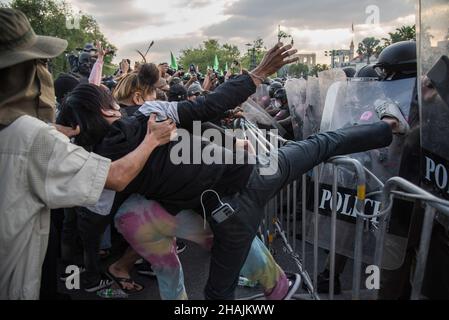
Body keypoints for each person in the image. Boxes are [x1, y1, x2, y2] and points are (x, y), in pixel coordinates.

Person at [59, 41, 405, 300]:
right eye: (106, 98)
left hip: (232, 195)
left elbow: (96, 213)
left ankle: (387, 127)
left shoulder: (117, 142)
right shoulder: (141, 125)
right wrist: (257, 74)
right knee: (323, 143)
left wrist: (86, 260)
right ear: (104, 111)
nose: (113, 99)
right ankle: (387, 125)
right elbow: (207, 105)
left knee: (218, 296)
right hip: (235, 196)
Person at [0, 8, 176, 300]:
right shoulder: (30, 137)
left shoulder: (29, 134)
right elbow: (116, 177)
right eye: (39, 63)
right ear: (21, 74)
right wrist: (151, 140)